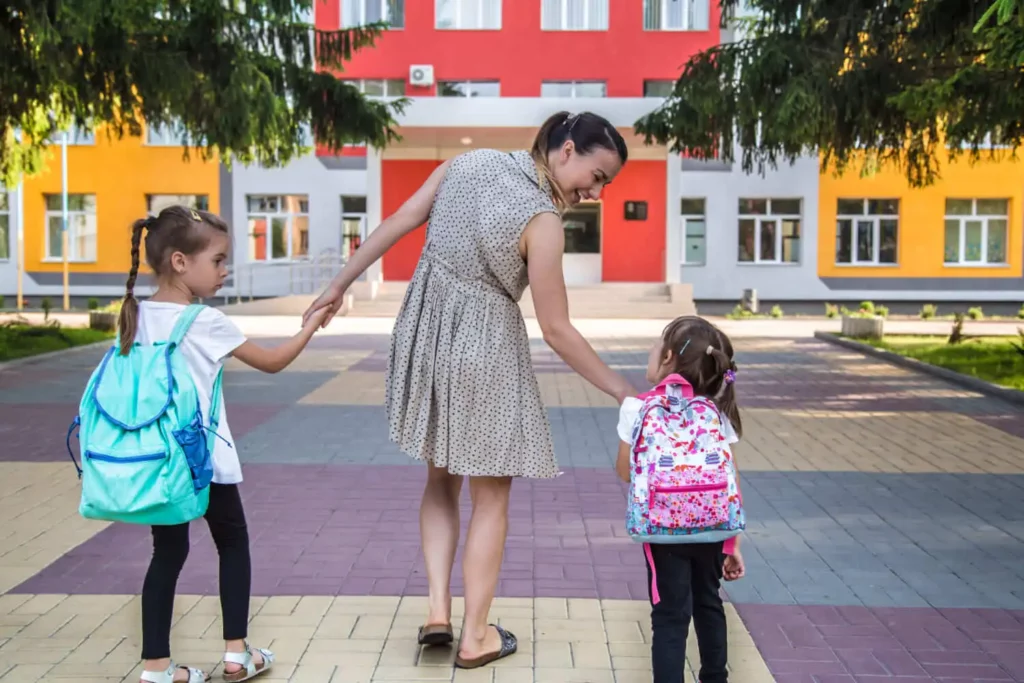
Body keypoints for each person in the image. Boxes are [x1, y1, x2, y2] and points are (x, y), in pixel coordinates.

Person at [303, 111, 636, 668]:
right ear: (567, 150)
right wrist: (625, 391)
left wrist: (338, 284)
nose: (597, 192)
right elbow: (557, 329)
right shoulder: (544, 221)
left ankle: (438, 610)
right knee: (492, 496)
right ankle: (476, 635)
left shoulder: (467, 163)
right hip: (486, 349)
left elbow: (400, 220)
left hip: (427, 330)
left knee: (439, 476)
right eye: (598, 176)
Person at [118, 206, 328, 683]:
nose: (224, 269)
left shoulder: (135, 314)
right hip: (204, 458)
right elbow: (273, 361)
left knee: (166, 554)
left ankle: (156, 668)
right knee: (232, 541)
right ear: (179, 262)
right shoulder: (202, 321)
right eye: (217, 260)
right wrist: (312, 324)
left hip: (157, 457)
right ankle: (237, 653)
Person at [614, 316, 747, 683]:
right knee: (709, 603)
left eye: (656, 346)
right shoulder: (716, 410)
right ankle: (715, 678)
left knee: (670, 615)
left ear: (669, 357)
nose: (650, 351)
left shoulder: (636, 407)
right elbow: (728, 480)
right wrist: (731, 540)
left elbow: (625, 472)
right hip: (712, 528)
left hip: (662, 532)